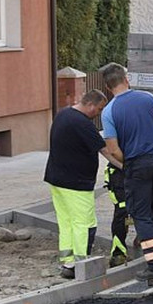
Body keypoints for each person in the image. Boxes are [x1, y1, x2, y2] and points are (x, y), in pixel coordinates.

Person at [99, 62, 153, 284]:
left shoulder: (109, 112)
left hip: (137, 164)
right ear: (126, 80)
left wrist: (131, 162)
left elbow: (114, 149)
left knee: (142, 213)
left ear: (108, 87)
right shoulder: (149, 98)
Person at [44, 89, 116, 279]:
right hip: (76, 183)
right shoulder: (82, 123)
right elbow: (105, 151)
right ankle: (81, 264)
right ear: (90, 105)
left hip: (56, 179)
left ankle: (67, 263)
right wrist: (125, 167)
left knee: (66, 222)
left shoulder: (63, 115)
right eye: (99, 109)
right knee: (84, 224)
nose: (99, 114)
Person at [103, 161, 131, 267]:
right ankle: (118, 253)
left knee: (142, 208)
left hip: (137, 169)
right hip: (119, 173)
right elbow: (112, 151)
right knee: (122, 211)